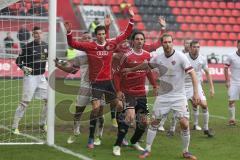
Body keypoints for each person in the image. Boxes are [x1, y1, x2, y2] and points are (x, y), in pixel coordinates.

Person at [64, 9, 134, 148]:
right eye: (99, 34)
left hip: (108, 83)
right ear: (95, 36)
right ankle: (91, 138)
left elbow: (126, 34)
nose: (102, 36)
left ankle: (122, 136)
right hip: (96, 83)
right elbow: (73, 44)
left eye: (103, 34)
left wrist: (131, 19)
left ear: (105, 35)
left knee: (120, 106)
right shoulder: (90, 46)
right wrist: (69, 32)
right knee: (96, 109)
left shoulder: (111, 44)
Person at [123, 34, 200, 160]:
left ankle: (186, 151)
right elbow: (146, 65)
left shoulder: (180, 57)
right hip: (163, 96)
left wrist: (196, 93)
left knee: (184, 123)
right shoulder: (158, 58)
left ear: (173, 43)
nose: (167, 44)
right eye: (165, 42)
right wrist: (131, 70)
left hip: (179, 96)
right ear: (162, 44)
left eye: (170, 42)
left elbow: (192, 74)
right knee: (154, 122)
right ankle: (147, 149)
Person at [112, 31, 157, 156]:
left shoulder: (147, 55)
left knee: (144, 122)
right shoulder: (126, 56)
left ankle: (134, 141)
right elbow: (116, 74)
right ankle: (117, 144)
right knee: (130, 117)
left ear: (144, 41)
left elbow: (148, 71)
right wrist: (119, 90)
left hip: (141, 92)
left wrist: (154, 85)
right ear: (132, 41)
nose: (139, 41)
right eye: (137, 39)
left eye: (142, 39)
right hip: (128, 92)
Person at [12, 26, 48, 135]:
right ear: (33, 35)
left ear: (42, 34)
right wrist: (24, 68)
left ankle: (43, 123)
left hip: (41, 77)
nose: (38, 35)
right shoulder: (27, 47)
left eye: (40, 33)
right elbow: (18, 61)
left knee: (49, 100)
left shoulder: (46, 46)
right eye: (36, 33)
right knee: (25, 102)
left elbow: (50, 58)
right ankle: (15, 126)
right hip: (30, 77)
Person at [184, 40, 214, 137]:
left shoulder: (202, 58)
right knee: (181, 108)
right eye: (194, 47)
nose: (196, 49)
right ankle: (172, 128)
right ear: (190, 48)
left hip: (196, 85)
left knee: (204, 105)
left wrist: (211, 88)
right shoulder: (184, 57)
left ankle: (205, 128)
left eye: (198, 47)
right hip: (184, 85)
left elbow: (207, 73)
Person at [224, 40, 240, 126]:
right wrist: (227, 80)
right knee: (231, 101)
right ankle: (232, 119)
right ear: (237, 46)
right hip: (234, 82)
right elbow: (225, 68)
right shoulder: (231, 56)